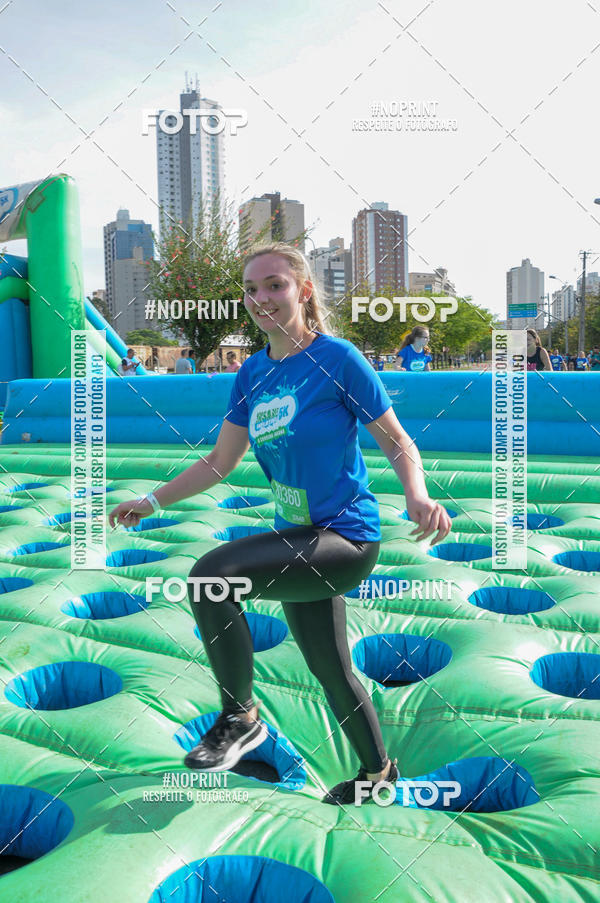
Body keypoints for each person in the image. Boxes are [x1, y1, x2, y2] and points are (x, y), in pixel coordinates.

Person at [108, 241, 451, 806]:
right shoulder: (252, 372)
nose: (261, 298)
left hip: (345, 538)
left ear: (303, 290)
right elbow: (219, 462)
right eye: (251, 289)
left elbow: (396, 440)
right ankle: (379, 774)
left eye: (275, 285)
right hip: (297, 538)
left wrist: (417, 494)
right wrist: (152, 500)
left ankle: (240, 717)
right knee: (331, 669)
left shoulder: (337, 359)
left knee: (211, 577)